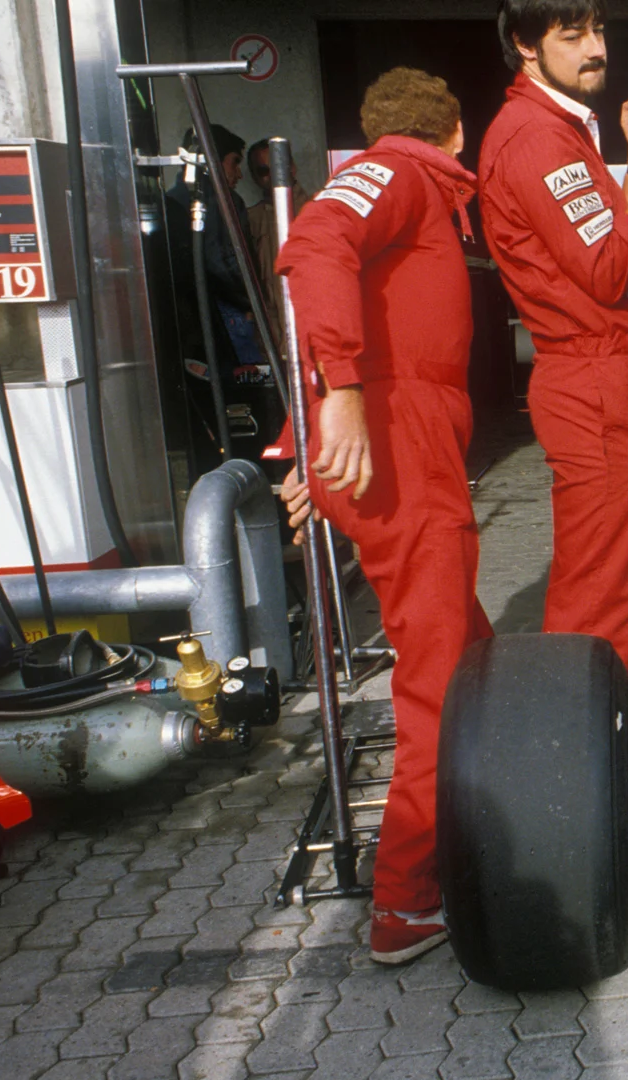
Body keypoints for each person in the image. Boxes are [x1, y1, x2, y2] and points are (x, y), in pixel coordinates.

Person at [276, 67, 491, 965]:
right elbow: (314, 243)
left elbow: (341, 278)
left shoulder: (413, 187)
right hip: (401, 446)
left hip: (393, 438)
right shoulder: (401, 173)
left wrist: (305, 442)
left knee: (470, 655)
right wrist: (344, 401)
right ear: (455, 135)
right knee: (439, 683)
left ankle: (477, 831)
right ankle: (406, 902)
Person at [479, 0, 628, 671]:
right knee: (599, 592)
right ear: (525, 47)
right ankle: (575, 750)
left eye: (598, 30)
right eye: (571, 36)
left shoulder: (560, 127)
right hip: (598, 381)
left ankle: (595, 737)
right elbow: (610, 273)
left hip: (613, 375)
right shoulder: (536, 138)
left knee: (613, 580)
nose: (594, 48)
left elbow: (609, 244)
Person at [165, 124, 263, 375]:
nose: (239, 174)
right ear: (211, 162)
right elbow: (225, 262)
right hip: (230, 313)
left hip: (193, 320)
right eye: (234, 163)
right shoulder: (223, 201)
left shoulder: (171, 200)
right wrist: (250, 303)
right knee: (251, 384)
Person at [246, 139, 311, 352]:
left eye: (278, 167)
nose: (272, 176)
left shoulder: (317, 211)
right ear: (255, 177)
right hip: (274, 336)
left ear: (291, 167)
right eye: (264, 170)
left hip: (312, 329)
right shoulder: (252, 219)